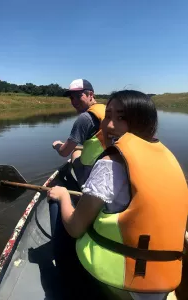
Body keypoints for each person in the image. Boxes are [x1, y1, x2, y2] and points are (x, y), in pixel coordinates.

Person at [48, 90, 188, 300]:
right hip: (164, 281)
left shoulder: (110, 164)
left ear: (142, 121)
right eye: (108, 116)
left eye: (121, 117)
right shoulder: (168, 158)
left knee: (57, 203)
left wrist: (63, 195)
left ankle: (67, 287)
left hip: (126, 285)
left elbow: (75, 228)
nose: (109, 125)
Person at [52, 78, 106, 187]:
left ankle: (82, 186)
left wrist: (57, 145)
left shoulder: (85, 118)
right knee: (77, 152)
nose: (74, 101)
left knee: (75, 153)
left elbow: (64, 152)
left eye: (78, 96)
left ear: (90, 94)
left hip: (93, 174)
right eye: (72, 98)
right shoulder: (105, 110)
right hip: (107, 166)